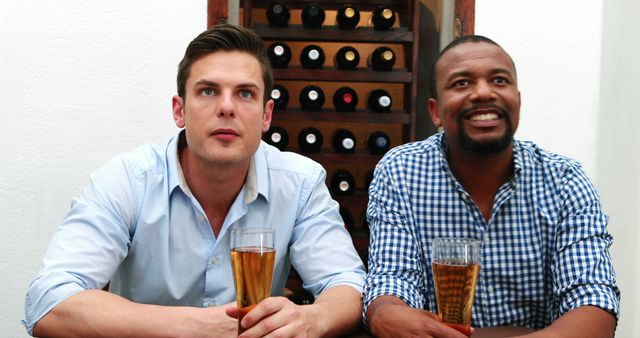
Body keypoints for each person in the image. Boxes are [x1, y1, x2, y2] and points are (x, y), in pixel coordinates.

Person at [23, 24, 366, 337]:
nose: (227, 107)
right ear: (179, 111)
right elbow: (49, 300)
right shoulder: (128, 179)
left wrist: (312, 320)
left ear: (266, 115)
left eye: (245, 93)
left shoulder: (300, 183)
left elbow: (346, 283)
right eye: (208, 91)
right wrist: (196, 326)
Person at [363, 35, 620, 337]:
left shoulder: (564, 180)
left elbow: (593, 303)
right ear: (435, 112)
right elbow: (392, 285)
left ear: (518, 102)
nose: (483, 93)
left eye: (499, 80)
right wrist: (384, 312)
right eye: (461, 83)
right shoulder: (402, 172)